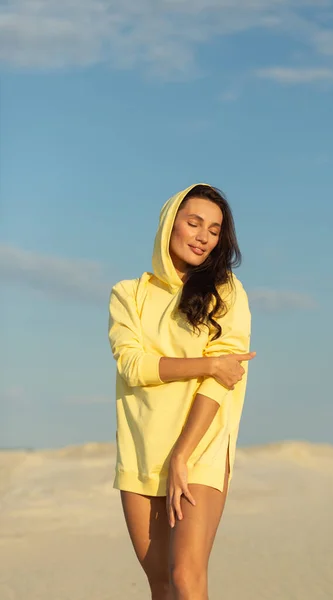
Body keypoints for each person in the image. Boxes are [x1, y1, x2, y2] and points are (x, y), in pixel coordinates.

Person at [108, 183, 255, 600]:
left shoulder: (226, 291)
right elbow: (133, 366)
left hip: (200, 448)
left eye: (214, 230)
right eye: (193, 223)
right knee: (163, 587)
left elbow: (223, 380)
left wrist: (182, 455)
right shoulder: (127, 295)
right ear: (170, 224)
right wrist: (207, 362)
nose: (203, 236)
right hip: (141, 451)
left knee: (187, 578)